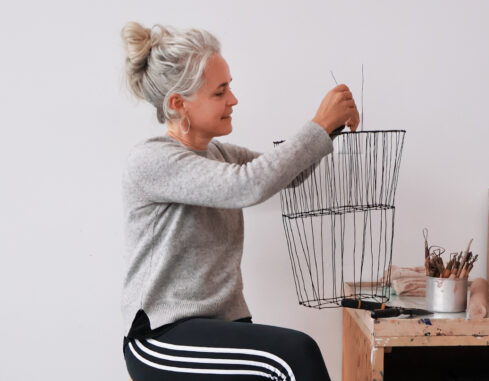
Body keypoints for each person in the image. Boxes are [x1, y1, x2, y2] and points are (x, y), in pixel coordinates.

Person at [120, 21, 358, 381]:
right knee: (293, 355)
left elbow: (285, 173)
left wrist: (333, 127)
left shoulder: (218, 154)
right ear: (178, 104)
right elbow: (248, 186)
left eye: (229, 87)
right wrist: (319, 125)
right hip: (161, 337)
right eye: (220, 92)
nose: (233, 99)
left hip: (216, 328)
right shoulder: (151, 161)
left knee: (292, 356)